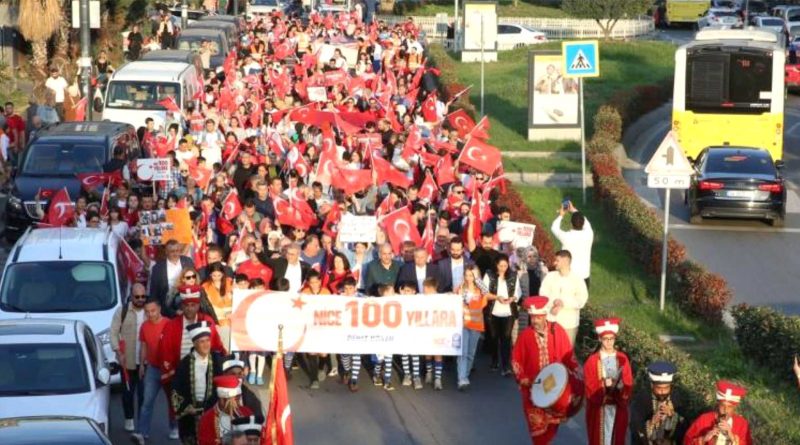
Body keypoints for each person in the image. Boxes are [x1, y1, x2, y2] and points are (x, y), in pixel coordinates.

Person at [511, 296, 581, 444]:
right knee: (537, 430)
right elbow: (516, 360)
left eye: (538, 318)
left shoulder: (557, 331)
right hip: (533, 389)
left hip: (554, 388)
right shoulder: (525, 336)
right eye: (532, 318)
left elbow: (568, 355)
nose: (535, 321)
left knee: (552, 426)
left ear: (544, 316)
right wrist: (522, 377)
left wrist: (576, 371)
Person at [159, 285, 226, 387]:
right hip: (181, 376)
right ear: (181, 306)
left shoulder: (207, 321)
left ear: (198, 305)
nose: (189, 309)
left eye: (193, 305)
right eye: (186, 305)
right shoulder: (171, 325)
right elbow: (166, 351)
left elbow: (216, 345)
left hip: (204, 375)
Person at [171, 321, 224, 444]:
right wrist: (186, 407)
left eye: (208, 341)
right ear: (194, 343)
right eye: (202, 341)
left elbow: (221, 385)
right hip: (190, 413)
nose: (206, 345)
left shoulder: (217, 361)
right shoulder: (185, 363)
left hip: (212, 412)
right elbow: (176, 388)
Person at [132, 298, 176, 443]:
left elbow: (176, 347)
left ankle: (173, 427)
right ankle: (142, 433)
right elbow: (144, 345)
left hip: (168, 369)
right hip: (152, 368)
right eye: (147, 312)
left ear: (159, 309)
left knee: (173, 402)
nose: (150, 314)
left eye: (153, 311)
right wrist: (142, 365)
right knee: (146, 402)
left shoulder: (169, 324)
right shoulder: (144, 326)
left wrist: (174, 368)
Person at [584, 318, 634, 445]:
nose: (609, 342)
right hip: (600, 409)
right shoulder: (592, 360)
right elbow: (589, 386)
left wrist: (620, 388)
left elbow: (628, 383)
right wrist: (603, 385)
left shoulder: (622, 359)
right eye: (606, 339)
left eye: (611, 339)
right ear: (600, 339)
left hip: (617, 408)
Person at [110, 283, 148, 432]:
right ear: (131, 296)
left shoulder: (149, 311)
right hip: (127, 361)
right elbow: (113, 332)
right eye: (137, 296)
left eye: (143, 296)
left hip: (145, 362)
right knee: (127, 393)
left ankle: (142, 423)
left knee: (144, 394)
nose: (140, 299)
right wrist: (118, 352)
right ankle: (129, 418)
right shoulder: (123, 311)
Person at [629, 361, 687, 445]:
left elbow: (685, 425)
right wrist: (652, 422)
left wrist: (672, 416)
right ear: (652, 386)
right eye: (659, 388)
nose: (663, 392)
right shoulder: (641, 399)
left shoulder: (676, 398)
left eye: (666, 388)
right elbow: (635, 427)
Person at [540, 250, 588, 346]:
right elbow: (543, 295)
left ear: (565, 261)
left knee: (566, 354)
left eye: (557, 260)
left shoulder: (577, 279)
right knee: (550, 353)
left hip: (569, 324)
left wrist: (563, 303)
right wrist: (553, 304)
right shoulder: (550, 276)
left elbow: (581, 300)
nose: (554, 263)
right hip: (551, 320)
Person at [483, 253, 521, 376]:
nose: (503, 268)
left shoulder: (513, 276)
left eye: (505, 266)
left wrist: (512, 298)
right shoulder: (489, 274)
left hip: (508, 312)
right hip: (493, 311)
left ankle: (506, 366)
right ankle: (494, 361)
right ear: (496, 265)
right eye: (501, 266)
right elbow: (485, 292)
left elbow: (518, 292)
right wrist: (496, 297)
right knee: (494, 338)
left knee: (506, 338)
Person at [683, 381, 752, 445]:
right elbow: (686, 440)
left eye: (729, 407)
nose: (725, 410)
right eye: (723, 405)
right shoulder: (704, 419)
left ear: (734, 407)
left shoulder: (742, 424)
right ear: (718, 404)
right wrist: (704, 439)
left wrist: (732, 437)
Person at [455, 265, 488, 391]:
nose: (469, 278)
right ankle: (461, 379)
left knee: (470, 353)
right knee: (462, 353)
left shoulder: (480, 290)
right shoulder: (460, 289)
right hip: (463, 324)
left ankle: (465, 375)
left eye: (471, 275)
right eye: (467, 275)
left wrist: (476, 277)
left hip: (476, 325)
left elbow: (486, 291)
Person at [197, 375, 254, 445]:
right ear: (223, 400)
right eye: (235, 399)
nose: (238, 403)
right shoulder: (207, 418)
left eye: (239, 398)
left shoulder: (246, 413)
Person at [551, 201, 594, 288]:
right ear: (583, 223)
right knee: (582, 300)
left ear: (571, 224)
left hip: (570, 276)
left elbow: (554, 228)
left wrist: (561, 215)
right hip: (584, 276)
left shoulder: (566, 236)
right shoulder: (589, 233)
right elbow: (585, 222)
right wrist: (573, 210)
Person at [150, 240, 195, 313]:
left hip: (188, 302)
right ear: (166, 252)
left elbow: (195, 280)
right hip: (167, 307)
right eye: (172, 251)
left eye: (177, 250)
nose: (175, 253)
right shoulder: (157, 268)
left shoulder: (188, 261)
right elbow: (154, 292)